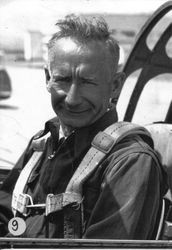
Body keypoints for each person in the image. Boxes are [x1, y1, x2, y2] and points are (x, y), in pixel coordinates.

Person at [0, 14, 167, 239]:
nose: (72, 98)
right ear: (48, 78)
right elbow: (8, 216)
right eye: (63, 79)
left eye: (88, 82)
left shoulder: (130, 162)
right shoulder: (42, 144)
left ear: (115, 85)